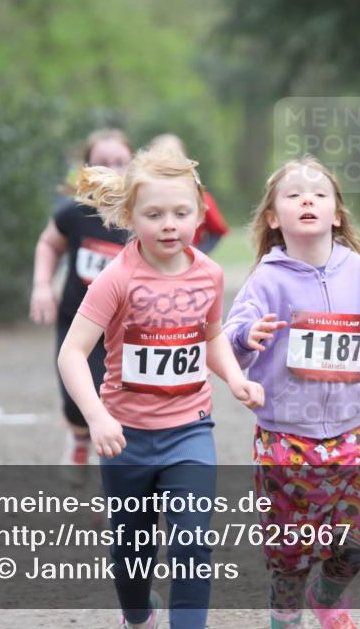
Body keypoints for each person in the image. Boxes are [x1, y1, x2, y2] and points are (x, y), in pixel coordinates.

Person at [57, 142, 265, 629]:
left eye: (180, 212)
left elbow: (210, 335)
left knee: (192, 540)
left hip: (189, 432)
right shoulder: (117, 278)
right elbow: (72, 353)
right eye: (154, 214)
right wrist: (98, 417)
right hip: (124, 437)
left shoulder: (209, 275)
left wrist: (236, 377)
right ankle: (138, 615)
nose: (169, 224)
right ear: (131, 217)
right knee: (132, 551)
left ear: (199, 215)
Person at [223, 156, 360, 629]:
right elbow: (232, 339)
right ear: (274, 218)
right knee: (288, 552)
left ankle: (328, 598)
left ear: (337, 213)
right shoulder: (267, 279)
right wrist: (245, 336)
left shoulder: (357, 272)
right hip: (282, 440)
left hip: (346, 437)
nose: (307, 199)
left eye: (319, 194)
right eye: (293, 194)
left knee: (353, 546)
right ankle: (285, 615)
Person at [30, 129, 133, 474]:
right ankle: (77, 437)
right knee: (76, 396)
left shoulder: (143, 216)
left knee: (117, 398)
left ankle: (116, 476)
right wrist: (42, 285)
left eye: (120, 162)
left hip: (127, 328)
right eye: (103, 163)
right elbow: (49, 244)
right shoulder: (74, 213)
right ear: (87, 169)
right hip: (78, 319)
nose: (112, 169)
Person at [146, 133, 229, 254]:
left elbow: (218, 231)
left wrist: (198, 253)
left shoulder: (200, 197)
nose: (168, 162)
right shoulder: (140, 198)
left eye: (174, 156)